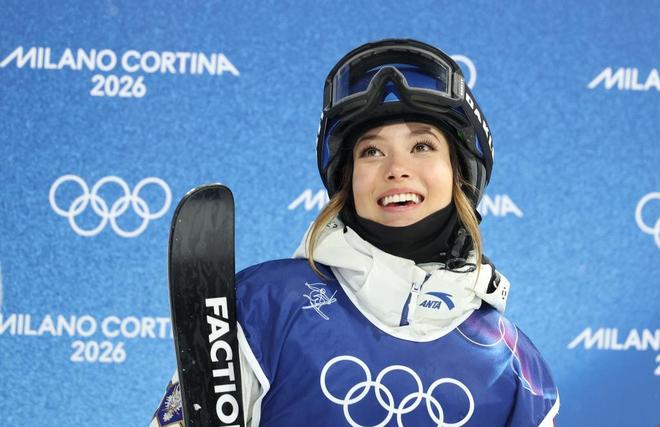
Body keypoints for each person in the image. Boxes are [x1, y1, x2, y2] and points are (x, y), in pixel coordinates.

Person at [151, 38, 559, 426]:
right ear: (348, 180)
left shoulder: (515, 367)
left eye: (422, 146)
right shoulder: (266, 306)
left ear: (460, 172)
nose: (397, 169)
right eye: (372, 151)